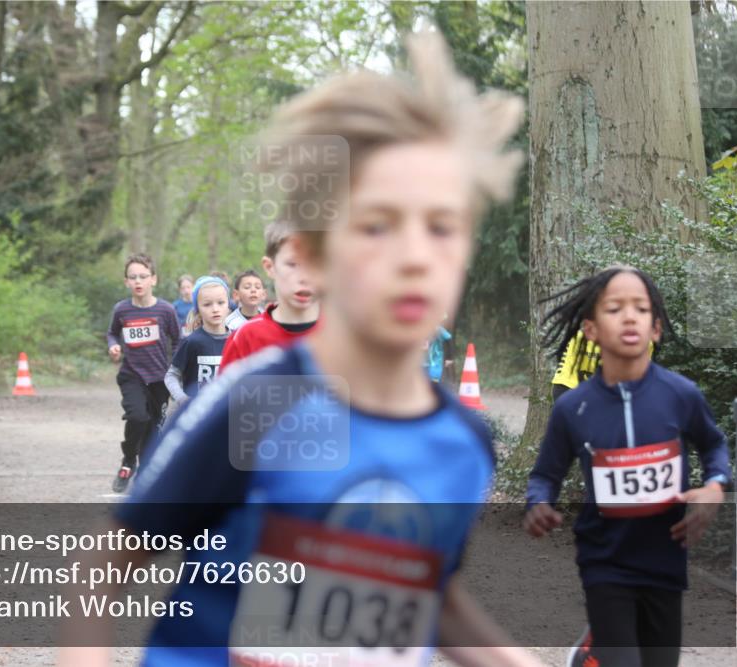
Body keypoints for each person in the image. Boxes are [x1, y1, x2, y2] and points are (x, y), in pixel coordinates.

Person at [61, 30, 543, 667]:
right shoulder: (261, 398)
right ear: (315, 255)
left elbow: (424, 588)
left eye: (441, 226)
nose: (415, 255)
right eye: (377, 224)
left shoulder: (464, 445)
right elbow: (108, 559)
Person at [523, 266, 731, 667]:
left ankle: (590, 652)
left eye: (641, 308)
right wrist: (538, 502)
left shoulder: (680, 396)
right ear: (591, 329)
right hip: (605, 563)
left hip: (667, 561)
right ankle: (599, 650)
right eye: (615, 308)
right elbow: (545, 475)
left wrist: (715, 485)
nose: (630, 316)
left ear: (655, 329)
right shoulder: (573, 408)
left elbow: (715, 446)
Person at [105, 254, 181, 493]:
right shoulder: (122, 310)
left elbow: (178, 340)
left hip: (159, 378)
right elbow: (112, 333)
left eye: (143, 276)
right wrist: (113, 346)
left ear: (153, 280)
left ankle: (146, 473)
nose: (138, 281)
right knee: (138, 416)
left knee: (153, 427)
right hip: (132, 375)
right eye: (133, 277)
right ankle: (128, 461)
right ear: (126, 282)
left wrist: (176, 369)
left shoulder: (165, 310)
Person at [219, 221, 320, 369]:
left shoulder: (349, 336)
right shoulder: (245, 337)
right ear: (270, 267)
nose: (304, 276)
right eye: (293, 264)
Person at [164, 276, 231, 412]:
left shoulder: (238, 339)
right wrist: (183, 400)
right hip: (197, 416)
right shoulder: (192, 341)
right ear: (198, 310)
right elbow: (171, 376)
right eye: (207, 304)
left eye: (221, 302)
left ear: (228, 305)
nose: (215, 309)